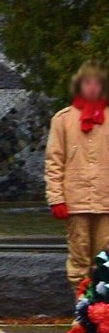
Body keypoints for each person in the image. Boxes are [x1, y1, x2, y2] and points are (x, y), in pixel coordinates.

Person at [46, 61, 109, 298]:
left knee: (105, 259)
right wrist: (56, 198)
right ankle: (82, 311)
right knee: (79, 259)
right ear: (79, 85)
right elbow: (54, 161)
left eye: (96, 83)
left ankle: (103, 311)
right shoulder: (62, 120)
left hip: (106, 201)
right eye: (87, 83)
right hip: (76, 201)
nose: (92, 88)